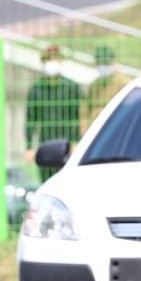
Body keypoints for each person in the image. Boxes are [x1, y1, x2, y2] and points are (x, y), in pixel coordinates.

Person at [25, 44, 82, 182]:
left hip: (67, 145)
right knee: (46, 182)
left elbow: (78, 117)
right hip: (45, 144)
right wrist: (29, 147)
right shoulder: (37, 89)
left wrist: (76, 142)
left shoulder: (71, 87)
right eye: (48, 60)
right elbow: (31, 119)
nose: (51, 63)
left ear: (60, 61)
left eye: (54, 59)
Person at [84, 45, 133, 133]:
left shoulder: (122, 82)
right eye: (100, 63)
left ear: (113, 63)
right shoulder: (94, 85)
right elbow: (86, 109)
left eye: (105, 63)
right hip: (97, 130)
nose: (102, 66)